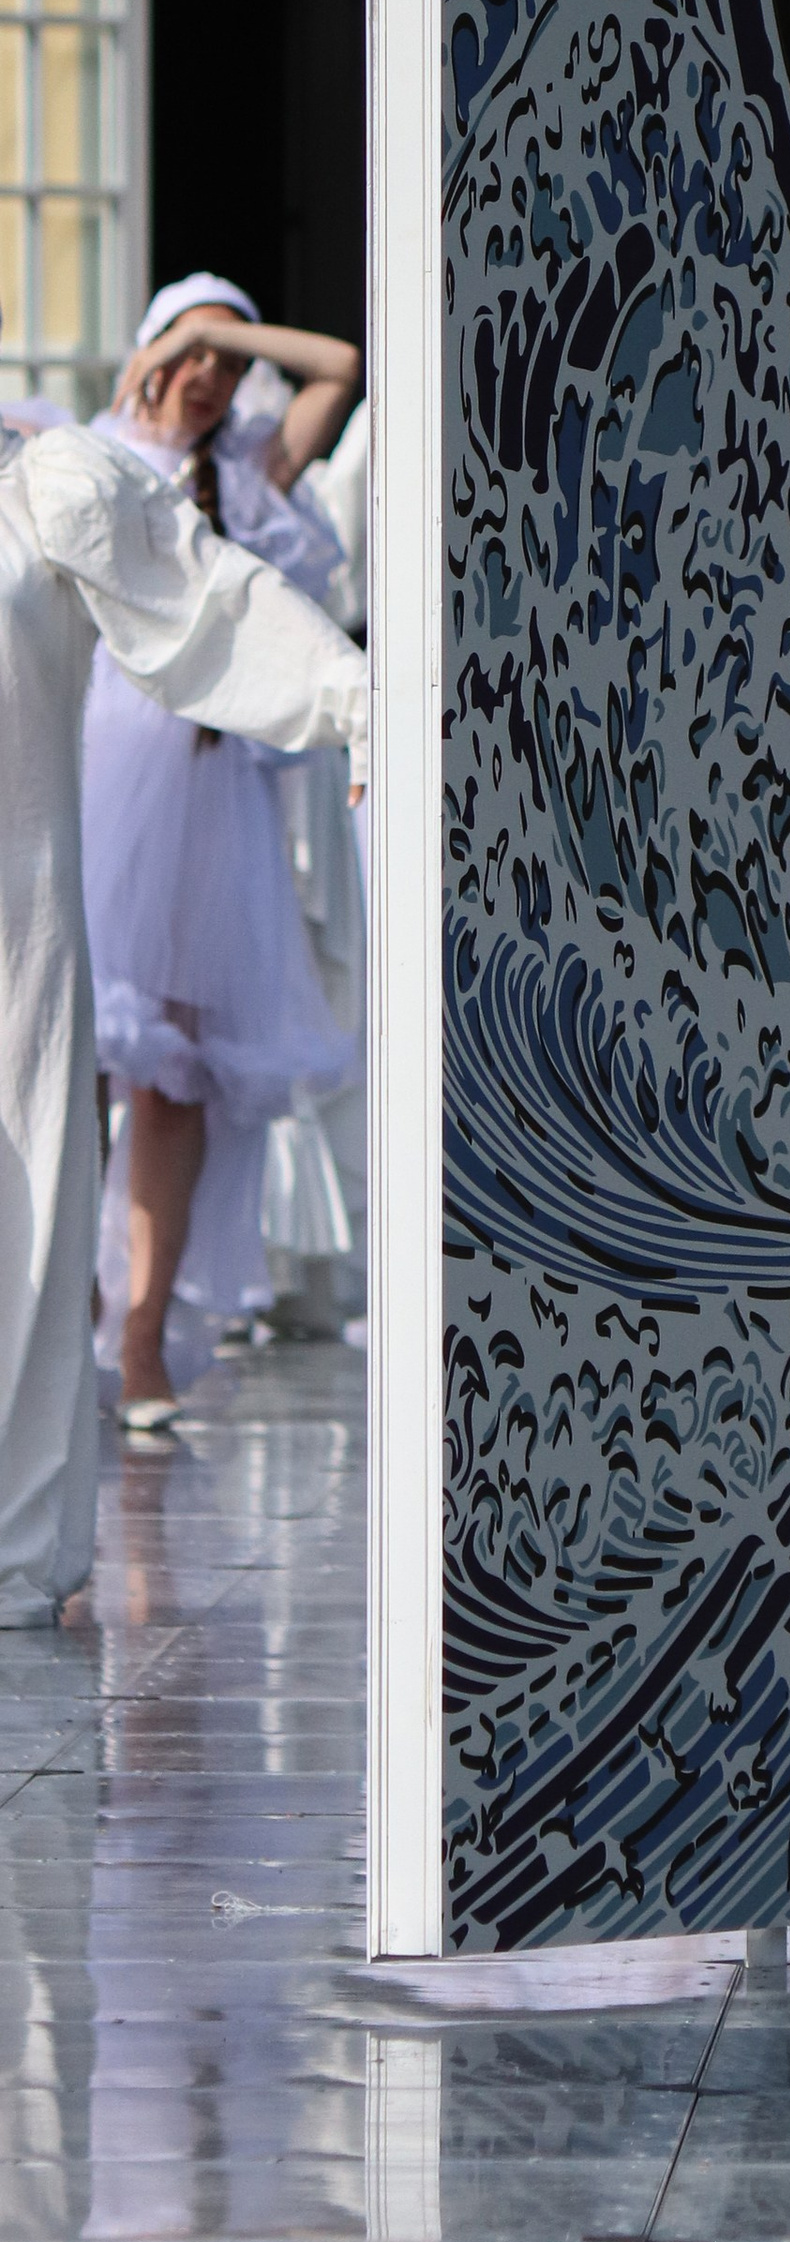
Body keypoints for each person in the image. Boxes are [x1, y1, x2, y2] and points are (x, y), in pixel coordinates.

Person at [0, 401, 365, 1614]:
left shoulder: (45, 480)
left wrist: (350, 693)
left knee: (27, 1210)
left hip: (17, 925)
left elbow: (205, 604)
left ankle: (15, 1540)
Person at [82, 277, 364, 1423]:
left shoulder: (247, 467)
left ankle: (143, 1330)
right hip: (106, 780)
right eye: (187, 352)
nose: (206, 376)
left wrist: (228, 337)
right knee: (79, 1046)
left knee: (175, 1080)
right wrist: (164, 354)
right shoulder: (95, 454)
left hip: (211, 807)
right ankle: (61, 1313)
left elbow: (340, 365)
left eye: (222, 360)